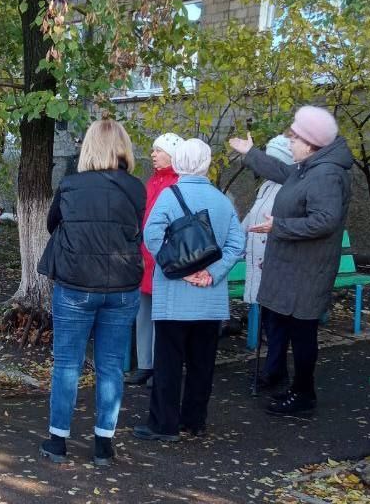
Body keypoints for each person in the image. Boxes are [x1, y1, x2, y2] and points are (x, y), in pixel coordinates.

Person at [228, 105, 353, 415]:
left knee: (303, 333)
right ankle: (284, 379)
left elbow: (325, 220)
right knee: (286, 325)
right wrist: (250, 153)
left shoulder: (326, 174)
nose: (290, 144)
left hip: (306, 270)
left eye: (294, 138)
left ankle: (303, 394)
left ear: (310, 143)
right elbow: (282, 173)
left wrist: (278, 226)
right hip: (293, 267)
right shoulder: (310, 166)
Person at [37, 119, 145, 467]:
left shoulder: (70, 185)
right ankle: (103, 445)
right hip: (123, 287)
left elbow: (52, 223)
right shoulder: (136, 188)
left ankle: (57, 442)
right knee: (111, 367)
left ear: (88, 148)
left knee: (67, 364)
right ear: (123, 147)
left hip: (75, 285)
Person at [133, 139, 245, 442]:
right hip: (210, 300)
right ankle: (195, 421)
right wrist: (211, 273)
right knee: (202, 364)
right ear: (206, 163)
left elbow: (151, 234)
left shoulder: (170, 196)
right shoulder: (222, 200)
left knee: (168, 363)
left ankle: (163, 424)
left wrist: (176, 267)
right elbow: (237, 243)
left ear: (179, 162)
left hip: (173, 297)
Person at [125, 132, 182, 387]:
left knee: (162, 315)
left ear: (172, 154)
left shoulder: (177, 183)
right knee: (143, 313)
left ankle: (160, 366)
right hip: (145, 257)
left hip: (164, 258)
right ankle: (145, 364)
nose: (153, 154)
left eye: (158, 150)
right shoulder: (153, 181)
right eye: (153, 150)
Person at [241, 134, 294, 390]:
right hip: (259, 262)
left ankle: (275, 372)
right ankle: (275, 371)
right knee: (269, 320)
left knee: (276, 323)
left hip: (272, 265)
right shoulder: (268, 186)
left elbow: (280, 227)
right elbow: (252, 219)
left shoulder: (287, 190)